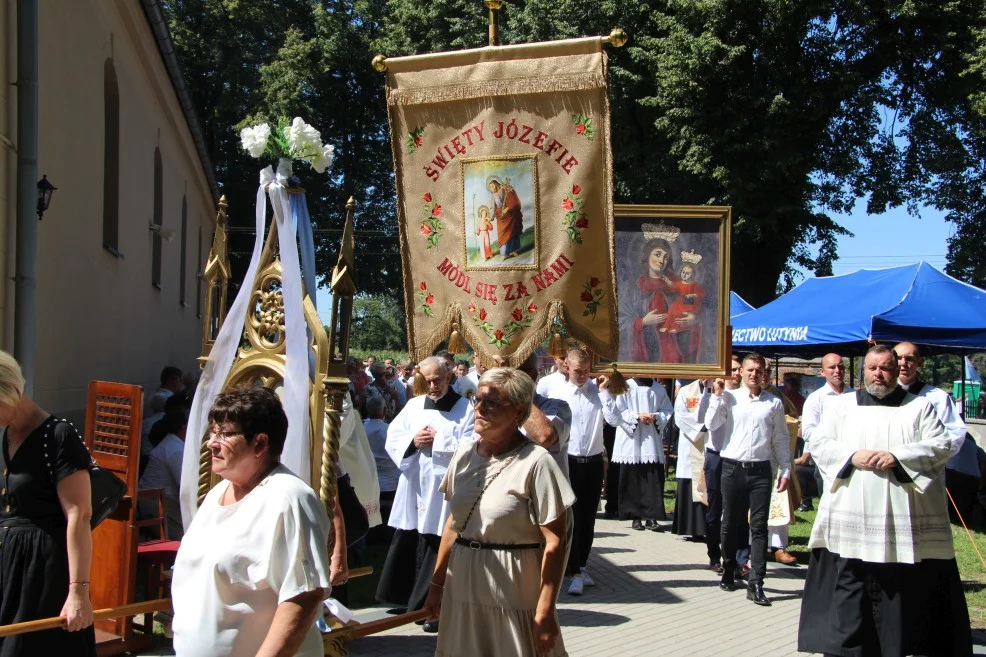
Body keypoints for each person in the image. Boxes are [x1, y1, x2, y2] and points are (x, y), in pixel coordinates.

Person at [798, 345, 971, 656]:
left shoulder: (919, 407)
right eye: (873, 368)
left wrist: (898, 457)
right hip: (851, 522)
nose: (879, 374)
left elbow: (941, 445)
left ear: (897, 371)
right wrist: (851, 456)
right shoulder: (842, 407)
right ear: (863, 371)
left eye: (886, 368)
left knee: (898, 590)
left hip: (898, 525)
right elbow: (819, 442)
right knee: (851, 587)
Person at [423, 368, 575, 657]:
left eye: (490, 403)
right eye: (476, 400)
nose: (479, 409)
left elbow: (556, 542)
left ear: (518, 410)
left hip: (514, 588)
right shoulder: (464, 455)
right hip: (463, 587)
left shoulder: (537, 463)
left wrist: (544, 610)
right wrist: (436, 584)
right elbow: (454, 524)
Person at [171, 387, 332, 657]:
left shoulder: (289, 499)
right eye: (213, 432)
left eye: (225, 434)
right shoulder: (216, 495)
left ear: (259, 443)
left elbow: (303, 597)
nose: (212, 442)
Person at [0, 350, 95, 655]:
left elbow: (79, 515)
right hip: (8, 564)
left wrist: (78, 590)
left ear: (10, 391)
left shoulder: (58, 436)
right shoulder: (6, 435)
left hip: (42, 570)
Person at [376, 357, 474, 632]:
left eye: (437, 380)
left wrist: (436, 443)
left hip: (443, 486)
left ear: (449, 377)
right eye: (427, 380)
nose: (432, 386)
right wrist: (413, 442)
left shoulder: (465, 409)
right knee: (408, 534)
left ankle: (431, 606)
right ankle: (406, 598)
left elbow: (471, 446)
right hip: (415, 482)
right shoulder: (414, 404)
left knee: (434, 541)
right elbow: (393, 437)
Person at [703, 353, 791, 605]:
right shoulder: (730, 398)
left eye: (758, 370)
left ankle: (757, 582)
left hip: (761, 470)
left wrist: (785, 468)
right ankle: (729, 567)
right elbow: (711, 423)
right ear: (741, 372)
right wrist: (717, 397)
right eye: (749, 370)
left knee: (760, 526)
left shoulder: (773, 403)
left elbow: (781, 438)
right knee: (731, 522)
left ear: (764, 373)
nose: (754, 374)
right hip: (732, 468)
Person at [557, 347, 619, 596]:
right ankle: (572, 569)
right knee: (572, 517)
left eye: (585, 371)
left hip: (593, 461)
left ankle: (581, 565)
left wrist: (604, 393)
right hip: (568, 460)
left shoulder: (598, 391)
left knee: (589, 516)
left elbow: (614, 420)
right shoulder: (559, 393)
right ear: (566, 368)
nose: (581, 375)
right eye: (576, 371)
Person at [894, 341, 976, 524]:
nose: (903, 364)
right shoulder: (882, 395)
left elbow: (955, 433)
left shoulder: (937, 397)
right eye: (898, 358)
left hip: (925, 471)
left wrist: (932, 458)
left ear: (920, 363)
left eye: (909, 359)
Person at [619, 236, 694, 364]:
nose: (661, 261)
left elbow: (691, 312)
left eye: (665, 257)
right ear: (647, 256)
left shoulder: (676, 286)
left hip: (671, 348)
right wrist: (643, 321)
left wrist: (691, 318)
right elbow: (620, 321)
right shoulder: (632, 287)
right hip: (644, 349)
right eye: (657, 255)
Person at [611, 378, 673, 531]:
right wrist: (637, 416)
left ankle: (652, 517)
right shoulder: (626, 386)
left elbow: (667, 409)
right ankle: (635, 516)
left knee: (652, 478)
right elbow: (618, 410)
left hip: (651, 437)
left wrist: (656, 416)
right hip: (632, 439)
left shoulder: (659, 389)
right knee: (632, 478)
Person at [797, 353, 852, 512]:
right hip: (827, 461)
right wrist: (831, 443)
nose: (837, 370)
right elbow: (807, 431)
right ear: (822, 372)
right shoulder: (816, 399)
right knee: (830, 508)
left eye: (840, 366)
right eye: (832, 367)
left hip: (853, 458)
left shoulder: (856, 396)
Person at [138, 405, 188, 539]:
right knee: (190, 538)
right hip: (156, 504)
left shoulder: (174, 444)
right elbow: (185, 488)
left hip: (158, 502)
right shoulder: (175, 448)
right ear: (184, 427)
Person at [671, 378, 709, 540]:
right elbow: (680, 417)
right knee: (691, 477)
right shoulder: (686, 391)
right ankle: (694, 527)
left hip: (713, 443)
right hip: (691, 443)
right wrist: (703, 428)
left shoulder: (722, 390)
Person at [662, 250, 705, 362]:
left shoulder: (694, 284)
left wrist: (693, 295)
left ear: (693, 275)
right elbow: (673, 286)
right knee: (672, 308)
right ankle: (669, 326)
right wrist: (667, 281)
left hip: (690, 305)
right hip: (680, 302)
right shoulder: (680, 283)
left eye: (687, 273)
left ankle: (678, 329)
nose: (684, 275)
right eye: (683, 272)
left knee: (684, 315)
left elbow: (701, 293)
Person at [363, 395, 399, 528]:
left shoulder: (362, 427)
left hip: (371, 479)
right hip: (387, 481)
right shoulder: (389, 429)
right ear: (383, 411)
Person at [488, 176, 523, 258]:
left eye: (492, 186)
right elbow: (492, 207)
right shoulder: (493, 196)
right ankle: (506, 252)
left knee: (511, 232)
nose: (491, 188)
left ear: (496, 184)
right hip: (500, 217)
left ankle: (513, 250)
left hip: (509, 215)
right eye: (490, 187)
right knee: (502, 234)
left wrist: (507, 209)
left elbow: (512, 201)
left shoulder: (504, 189)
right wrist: (491, 217)